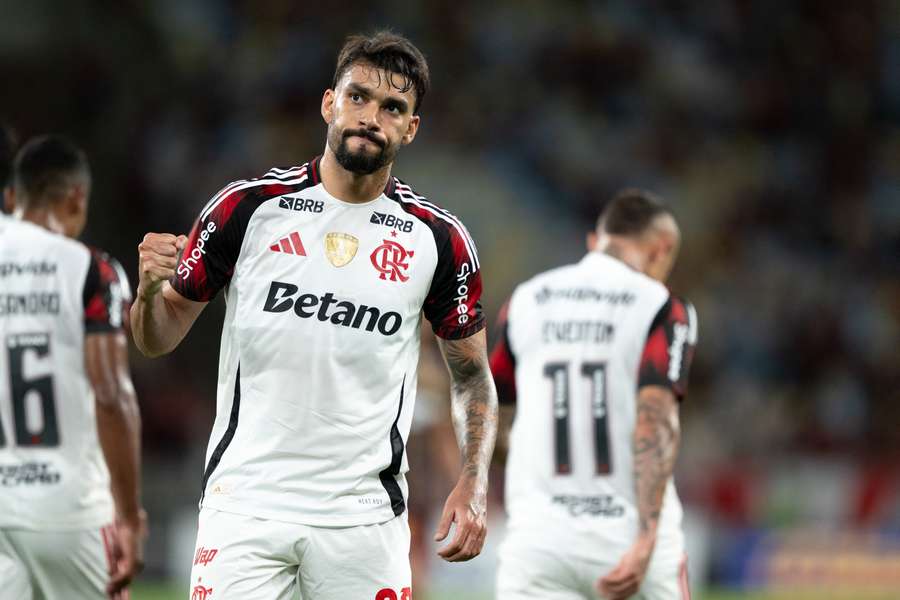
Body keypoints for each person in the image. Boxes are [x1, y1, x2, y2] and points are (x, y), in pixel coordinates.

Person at [131, 31, 498, 599]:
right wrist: (150, 292)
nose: (371, 116)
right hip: (247, 507)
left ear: (411, 128)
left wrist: (473, 484)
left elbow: (472, 377)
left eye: (392, 108)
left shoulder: (438, 240)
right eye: (358, 97)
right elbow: (157, 338)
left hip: (365, 519)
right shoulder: (247, 210)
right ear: (330, 103)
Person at [491, 189, 698, 600]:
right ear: (663, 250)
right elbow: (655, 420)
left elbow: (486, 404)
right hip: (625, 538)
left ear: (595, 243)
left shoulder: (527, 299)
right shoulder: (661, 306)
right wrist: (647, 536)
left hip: (540, 542)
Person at [0, 135, 144, 599]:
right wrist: (129, 515)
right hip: (68, 511)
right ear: (77, 196)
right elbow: (110, 394)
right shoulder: (89, 270)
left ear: (12, 197)